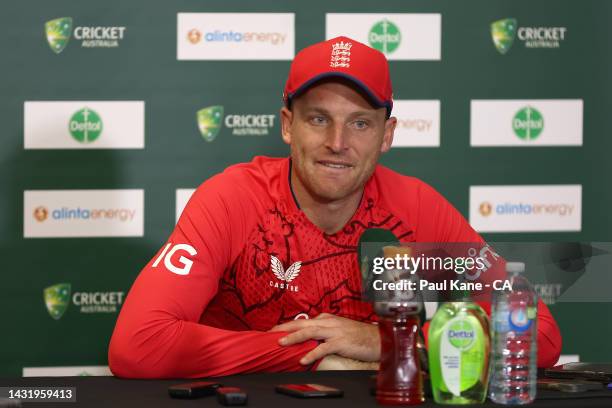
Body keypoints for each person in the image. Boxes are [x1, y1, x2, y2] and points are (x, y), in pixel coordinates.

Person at [108, 36, 561, 378]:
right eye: (318, 118)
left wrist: (386, 343)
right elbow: (137, 346)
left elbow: (538, 333)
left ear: (387, 135)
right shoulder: (232, 199)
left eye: (360, 123)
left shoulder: (415, 207)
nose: (337, 144)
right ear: (288, 125)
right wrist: (321, 353)